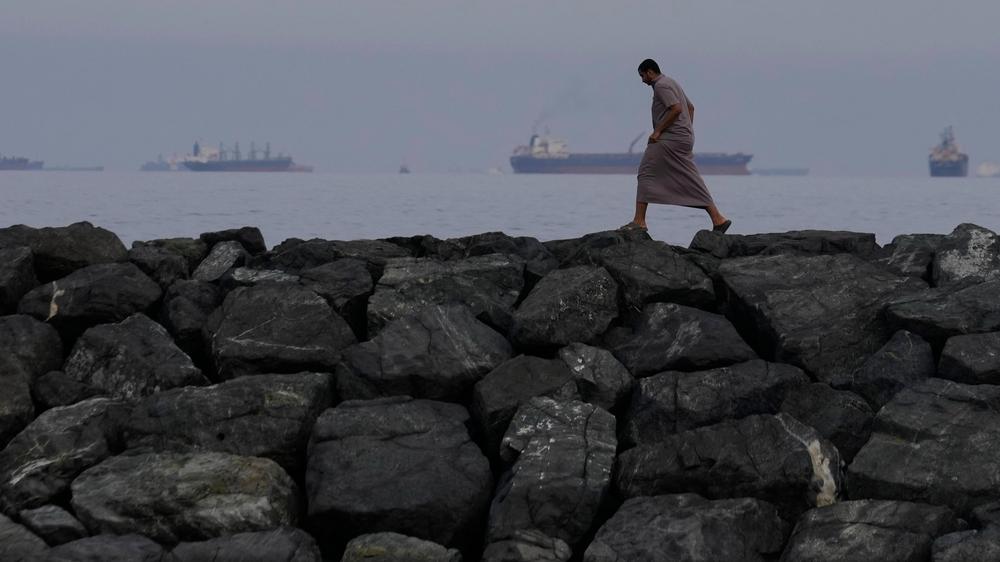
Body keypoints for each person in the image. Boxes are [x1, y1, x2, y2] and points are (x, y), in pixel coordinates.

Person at [621, 58, 731, 233]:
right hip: (682, 138)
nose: (642, 80)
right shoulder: (671, 82)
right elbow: (691, 108)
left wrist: (658, 131)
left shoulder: (661, 86)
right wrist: (687, 131)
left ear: (650, 72)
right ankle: (718, 219)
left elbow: (677, 108)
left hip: (668, 139)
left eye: (642, 76)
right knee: (690, 177)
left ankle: (639, 221)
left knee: (646, 172)